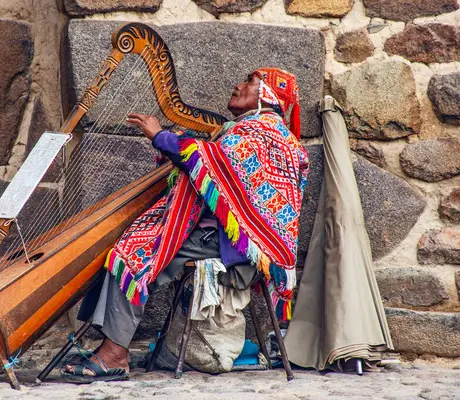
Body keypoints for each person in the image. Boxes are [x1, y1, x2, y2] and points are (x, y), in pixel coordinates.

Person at [62, 68, 309, 382]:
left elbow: (212, 161)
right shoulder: (252, 131)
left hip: (233, 245)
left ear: (268, 95)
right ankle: (110, 346)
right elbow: (216, 173)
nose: (237, 84)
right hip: (221, 235)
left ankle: (114, 354)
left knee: (135, 251)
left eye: (249, 82)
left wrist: (161, 136)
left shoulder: (264, 132)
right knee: (135, 239)